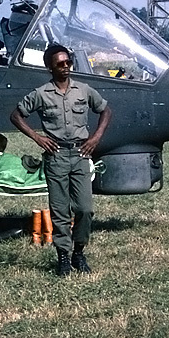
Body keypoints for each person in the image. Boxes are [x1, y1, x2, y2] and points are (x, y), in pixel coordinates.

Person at [10, 44, 113, 276]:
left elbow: (105, 111)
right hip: (56, 157)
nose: (66, 67)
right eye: (60, 64)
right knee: (60, 211)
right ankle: (63, 257)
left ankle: (79, 251)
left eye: (68, 63)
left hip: (80, 155)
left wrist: (95, 138)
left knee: (85, 209)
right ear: (50, 67)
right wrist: (37, 138)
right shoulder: (41, 94)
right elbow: (16, 115)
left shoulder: (83, 90)